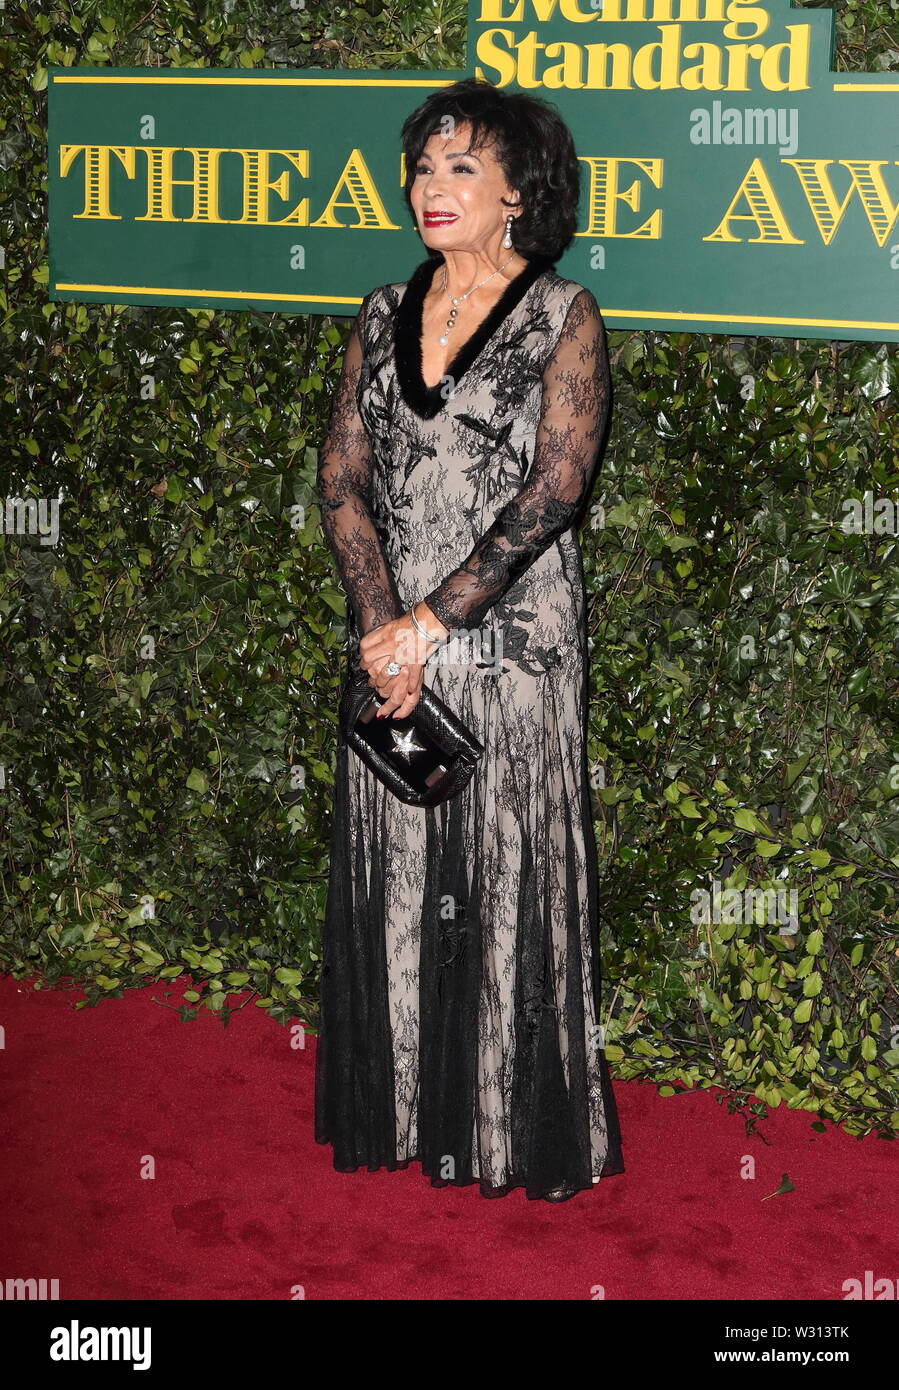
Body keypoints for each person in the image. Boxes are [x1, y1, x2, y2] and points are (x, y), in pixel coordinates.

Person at [314, 76, 623, 1201]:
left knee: (497, 871)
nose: (431, 189)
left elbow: (552, 492)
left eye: (460, 170)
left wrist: (429, 625)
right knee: (400, 870)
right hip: (393, 648)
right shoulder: (376, 310)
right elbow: (342, 482)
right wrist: (376, 630)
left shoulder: (560, 315)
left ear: (514, 196)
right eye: (421, 167)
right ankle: (401, 1109)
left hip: (511, 644)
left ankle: (501, 1123)